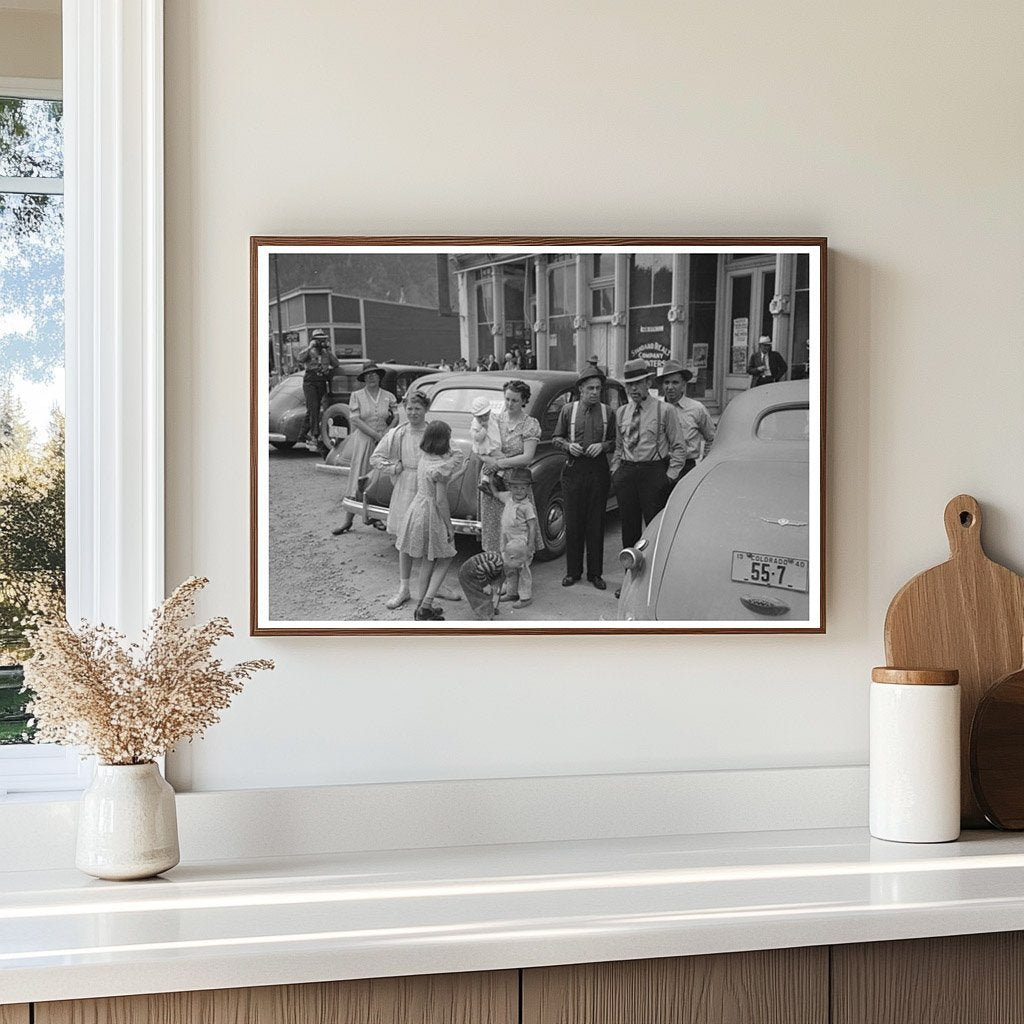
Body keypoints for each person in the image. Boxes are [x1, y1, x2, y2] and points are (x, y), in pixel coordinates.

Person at [612, 359, 687, 595]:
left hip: (653, 473)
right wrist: (616, 471)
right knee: (629, 530)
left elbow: (679, 447)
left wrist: (668, 476)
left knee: (654, 531)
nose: (633, 389)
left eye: (638, 384)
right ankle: (630, 584)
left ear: (647, 383)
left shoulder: (665, 410)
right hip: (627, 472)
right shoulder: (622, 412)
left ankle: (653, 585)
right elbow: (617, 445)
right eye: (629, 385)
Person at [552, 364, 615, 590]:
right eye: (590, 388)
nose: (595, 392)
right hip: (573, 470)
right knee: (574, 523)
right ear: (580, 389)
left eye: (598, 388)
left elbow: (616, 442)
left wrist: (604, 445)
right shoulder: (568, 410)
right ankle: (573, 572)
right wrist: (568, 446)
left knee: (596, 524)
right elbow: (556, 438)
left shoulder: (608, 412)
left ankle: (595, 574)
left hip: (598, 472)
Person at [395, 420, 463, 621]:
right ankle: (426, 604)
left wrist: (461, 471)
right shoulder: (441, 467)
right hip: (432, 513)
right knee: (446, 556)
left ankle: (422, 607)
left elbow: (439, 482)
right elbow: (441, 499)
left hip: (418, 508)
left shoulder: (425, 458)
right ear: (443, 441)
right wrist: (449, 527)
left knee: (428, 560)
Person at [332, 363, 397, 535]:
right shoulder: (357, 396)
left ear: (379, 376)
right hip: (364, 440)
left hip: (383, 441)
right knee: (358, 477)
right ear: (363, 378)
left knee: (378, 477)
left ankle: (376, 517)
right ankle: (348, 520)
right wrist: (375, 435)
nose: (371, 377)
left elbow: (396, 416)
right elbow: (355, 419)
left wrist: (387, 432)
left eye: (374, 374)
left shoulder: (388, 396)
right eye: (367, 375)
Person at [478, 379, 542, 556]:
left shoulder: (530, 424)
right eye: (507, 399)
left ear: (523, 401)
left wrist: (498, 463)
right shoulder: (495, 420)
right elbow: (480, 446)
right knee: (495, 526)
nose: (509, 403)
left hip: (516, 484)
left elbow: (527, 457)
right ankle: (496, 567)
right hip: (492, 481)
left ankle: (517, 568)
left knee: (517, 525)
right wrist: (486, 460)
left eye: (514, 400)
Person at [484, 466, 538, 609]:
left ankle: (525, 596)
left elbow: (532, 526)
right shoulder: (508, 497)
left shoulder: (527, 507)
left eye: (522, 488)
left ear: (528, 489)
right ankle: (512, 592)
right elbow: (495, 493)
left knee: (523, 568)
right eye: (515, 487)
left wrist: (530, 545)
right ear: (510, 487)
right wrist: (490, 479)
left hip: (521, 542)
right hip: (507, 540)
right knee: (509, 567)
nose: (519, 491)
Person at [658, 360, 716, 480]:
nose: (670, 387)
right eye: (666, 383)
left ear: (684, 384)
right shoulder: (656, 408)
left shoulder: (696, 408)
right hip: (660, 467)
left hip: (687, 468)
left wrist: (704, 465)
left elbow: (711, 438)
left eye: (675, 383)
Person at [458, 538, 530, 620]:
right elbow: (480, 569)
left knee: (489, 593)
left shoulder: (502, 560)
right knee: (481, 597)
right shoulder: (497, 562)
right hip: (469, 575)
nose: (521, 566)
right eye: (520, 563)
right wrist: (485, 585)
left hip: (475, 573)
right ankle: (485, 616)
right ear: (512, 558)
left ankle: (489, 609)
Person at [296, 328, 339, 450]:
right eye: (318, 339)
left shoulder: (326, 352)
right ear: (313, 340)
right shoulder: (309, 351)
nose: (320, 342)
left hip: (322, 381)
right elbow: (299, 359)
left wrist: (328, 350)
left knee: (315, 409)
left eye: (322, 339)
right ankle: (315, 435)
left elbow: (336, 363)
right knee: (313, 407)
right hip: (310, 382)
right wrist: (310, 347)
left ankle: (303, 434)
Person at [469, 394, 502, 494]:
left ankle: (487, 480)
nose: (484, 418)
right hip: (486, 449)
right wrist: (484, 429)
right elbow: (477, 438)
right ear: (475, 416)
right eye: (480, 416)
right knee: (503, 459)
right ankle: (497, 477)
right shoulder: (476, 424)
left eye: (486, 414)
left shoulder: (492, 418)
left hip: (493, 447)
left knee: (500, 460)